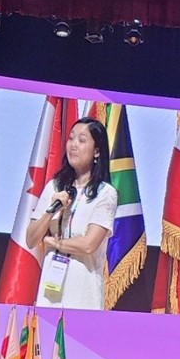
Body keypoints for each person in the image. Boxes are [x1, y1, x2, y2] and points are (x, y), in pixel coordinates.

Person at [26, 117, 118, 310]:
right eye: (71, 138)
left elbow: (88, 245)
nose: (73, 145)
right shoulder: (54, 186)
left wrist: (54, 243)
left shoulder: (105, 193)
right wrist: (51, 211)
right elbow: (31, 239)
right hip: (49, 294)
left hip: (83, 294)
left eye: (82, 140)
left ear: (97, 151)